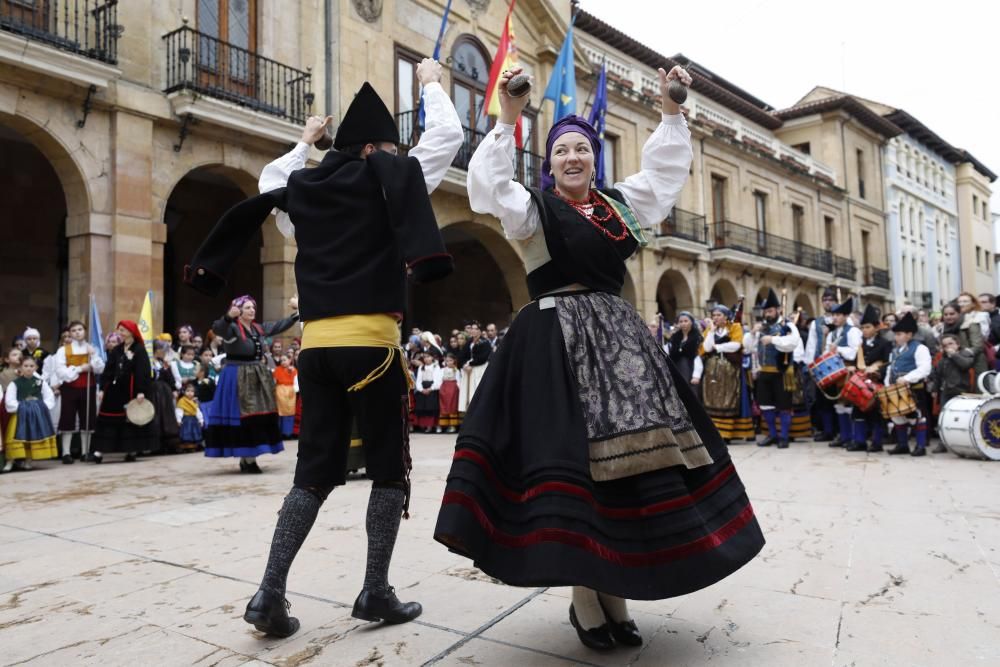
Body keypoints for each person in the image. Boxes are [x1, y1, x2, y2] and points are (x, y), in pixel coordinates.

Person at [434, 65, 763, 651]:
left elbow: (663, 175)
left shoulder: (620, 207)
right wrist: (508, 118)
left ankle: (615, 590)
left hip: (619, 347)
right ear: (550, 161)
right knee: (574, 467)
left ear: (594, 159)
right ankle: (586, 597)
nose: (573, 157)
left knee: (633, 467)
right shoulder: (531, 209)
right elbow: (487, 186)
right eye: (561, 150)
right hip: (553, 345)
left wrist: (668, 109)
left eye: (582, 148)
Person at [186, 58, 463, 637]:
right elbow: (447, 138)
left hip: (315, 352)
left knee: (312, 473)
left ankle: (269, 592)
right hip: (374, 350)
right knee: (388, 470)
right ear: (371, 151)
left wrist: (302, 141)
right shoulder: (391, 180)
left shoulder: (303, 189)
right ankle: (375, 591)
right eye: (387, 146)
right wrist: (432, 84)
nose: (393, 155)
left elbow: (267, 183)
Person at [205, 296, 299, 472]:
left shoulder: (257, 328)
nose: (252, 310)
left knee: (258, 415)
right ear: (238, 310)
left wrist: (296, 314)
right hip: (238, 375)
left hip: (256, 375)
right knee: (244, 416)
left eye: (253, 307)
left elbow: (278, 326)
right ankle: (247, 458)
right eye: (247, 307)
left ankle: (250, 456)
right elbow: (218, 328)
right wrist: (228, 316)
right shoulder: (232, 327)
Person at [91, 321, 159, 462]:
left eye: (122, 330)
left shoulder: (139, 349)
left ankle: (131, 450)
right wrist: (103, 388)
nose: (119, 333)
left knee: (129, 421)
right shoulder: (117, 350)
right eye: (119, 330)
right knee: (107, 419)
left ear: (130, 331)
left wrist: (141, 391)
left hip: (131, 390)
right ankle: (99, 451)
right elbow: (108, 370)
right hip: (113, 391)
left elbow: (143, 371)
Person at [752, 290, 801, 449]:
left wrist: (773, 339)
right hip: (764, 371)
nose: (767, 313)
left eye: (770, 310)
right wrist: (753, 333)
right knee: (766, 405)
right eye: (766, 311)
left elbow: (793, 342)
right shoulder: (763, 327)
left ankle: (784, 437)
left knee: (784, 405)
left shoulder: (787, 325)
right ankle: (772, 435)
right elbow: (750, 348)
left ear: (778, 310)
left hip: (782, 372)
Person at [51, 321, 105, 464]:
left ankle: (85, 452)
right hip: (70, 388)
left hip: (89, 387)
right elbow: (61, 372)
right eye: (74, 330)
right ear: (70, 333)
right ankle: (66, 453)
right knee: (67, 418)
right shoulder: (63, 350)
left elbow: (100, 368)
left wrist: (93, 357)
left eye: (80, 329)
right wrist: (81, 368)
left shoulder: (92, 348)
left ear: (85, 331)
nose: (77, 332)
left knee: (87, 419)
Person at [700, 305, 754, 442]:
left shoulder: (734, 327)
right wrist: (711, 332)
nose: (715, 318)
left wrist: (717, 347)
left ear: (726, 316)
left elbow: (736, 345)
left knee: (729, 398)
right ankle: (715, 432)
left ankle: (728, 433)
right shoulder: (709, 330)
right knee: (713, 398)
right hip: (713, 371)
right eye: (714, 315)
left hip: (730, 370)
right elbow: (706, 348)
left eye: (718, 315)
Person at [885, 312, 932, 456]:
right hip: (897, 389)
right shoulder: (895, 350)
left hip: (914, 389)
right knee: (898, 417)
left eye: (899, 334)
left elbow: (925, 368)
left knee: (918, 416)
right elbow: (890, 368)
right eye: (896, 334)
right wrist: (888, 383)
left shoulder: (919, 348)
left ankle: (920, 446)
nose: (896, 337)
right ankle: (902, 445)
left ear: (909, 334)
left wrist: (907, 378)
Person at [849, 305, 892, 453]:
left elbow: (888, 363)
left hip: (876, 383)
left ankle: (877, 442)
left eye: (867, 327)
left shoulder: (885, 343)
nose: (864, 330)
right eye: (862, 328)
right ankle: (860, 441)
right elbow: (857, 362)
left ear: (876, 327)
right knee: (858, 412)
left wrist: (877, 371)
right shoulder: (861, 345)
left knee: (876, 414)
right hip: (861, 383)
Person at [3, 356, 57, 471]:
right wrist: (23, 407)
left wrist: (40, 406)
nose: (28, 368)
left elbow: (49, 397)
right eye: (25, 366)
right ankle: (10, 461)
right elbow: (10, 401)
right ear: (21, 367)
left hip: (37, 415)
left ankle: (28, 460)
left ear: (36, 367)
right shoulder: (15, 383)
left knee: (31, 437)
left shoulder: (40, 383)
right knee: (15, 437)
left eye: (31, 366)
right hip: (20, 415)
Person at [824, 297, 862, 448]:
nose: (835, 317)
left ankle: (855, 437)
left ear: (846, 316)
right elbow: (827, 352)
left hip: (850, 372)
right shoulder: (832, 334)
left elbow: (854, 353)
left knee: (851, 404)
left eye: (838, 315)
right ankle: (844, 436)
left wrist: (837, 349)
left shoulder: (853, 331)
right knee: (839, 404)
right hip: (836, 372)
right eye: (833, 315)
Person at [930, 333, 975, 454]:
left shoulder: (965, 354)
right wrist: (935, 389)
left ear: (958, 344)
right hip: (946, 390)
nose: (948, 347)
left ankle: (961, 441)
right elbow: (937, 375)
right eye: (945, 345)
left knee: (961, 417)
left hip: (961, 391)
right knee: (943, 417)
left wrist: (954, 355)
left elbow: (965, 365)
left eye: (950, 343)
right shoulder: (943, 359)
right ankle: (942, 442)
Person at [804, 288, 838, 441]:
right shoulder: (816, 323)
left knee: (840, 400)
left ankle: (843, 431)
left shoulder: (844, 320)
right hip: (822, 366)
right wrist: (810, 365)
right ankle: (827, 430)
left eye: (830, 299)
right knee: (822, 400)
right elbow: (811, 344)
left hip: (839, 365)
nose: (827, 302)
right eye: (825, 300)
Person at [939, 302, 988, 385]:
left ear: (959, 313)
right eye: (945, 314)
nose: (948, 317)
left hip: (975, 364)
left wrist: (961, 354)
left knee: (977, 391)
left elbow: (978, 346)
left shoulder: (971, 324)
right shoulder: (944, 328)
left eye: (952, 314)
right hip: (955, 366)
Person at [459, 321, 491, 412]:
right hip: (468, 369)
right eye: (472, 328)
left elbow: (483, 357)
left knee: (477, 389)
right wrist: (464, 365)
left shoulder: (485, 342)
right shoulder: (469, 342)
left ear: (480, 331)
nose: (473, 330)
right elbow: (462, 355)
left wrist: (470, 364)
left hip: (479, 369)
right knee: (468, 393)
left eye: (476, 329)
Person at [667, 311, 703, 393]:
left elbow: (697, 356)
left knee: (690, 392)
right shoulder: (675, 337)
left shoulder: (696, 336)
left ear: (691, 322)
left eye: (686, 321)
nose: (683, 323)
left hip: (691, 368)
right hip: (677, 367)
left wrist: (696, 375)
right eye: (681, 321)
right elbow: (671, 353)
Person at [413, 353, 442, 433]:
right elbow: (418, 380)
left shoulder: (436, 367)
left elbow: (437, 380)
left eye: (428, 356)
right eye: (424, 357)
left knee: (432, 408)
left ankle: (434, 426)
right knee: (423, 408)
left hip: (432, 390)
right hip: (422, 390)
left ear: (432, 357)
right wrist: (421, 389)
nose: (426, 359)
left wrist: (431, 388)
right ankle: (426, 426)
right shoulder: (421, 367)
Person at [272, 352, 298, 439]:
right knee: (280, 414)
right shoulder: (277, 370)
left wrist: (293, 390)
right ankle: (279, 433)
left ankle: (288, 433)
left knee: (289, 414)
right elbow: (274, 381)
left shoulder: (294, 371)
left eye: (285, 360)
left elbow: (296, 383)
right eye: (281, 360)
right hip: (280, 393)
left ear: (289, 360)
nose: (283, 362)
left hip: (290, 394)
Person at [176, 381, 205, 452]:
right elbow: (179, 411)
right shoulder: (182, 401)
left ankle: (194, 446)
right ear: (184, 392)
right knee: (187, 433)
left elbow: (197, 411)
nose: (190, 393)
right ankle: (186, 446)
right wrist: (179, 420)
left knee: (194, 433)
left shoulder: (194, 401)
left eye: (192, 391)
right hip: (186, 420)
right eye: (188, 391)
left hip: (194, 420)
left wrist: (201, 420)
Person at [437, 353, 462, 434]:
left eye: (451, 360)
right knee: (444, 407)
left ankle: (452, 426)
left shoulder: (456, 370)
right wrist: (440, 389)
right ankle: (444, 425)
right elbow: (439, 380)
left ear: (454, 361)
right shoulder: (442, 370)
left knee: (452, 407)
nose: (449, 362)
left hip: (453, 391)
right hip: (444, 390)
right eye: (447, 361)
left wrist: (459, 390)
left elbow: (458, 381)